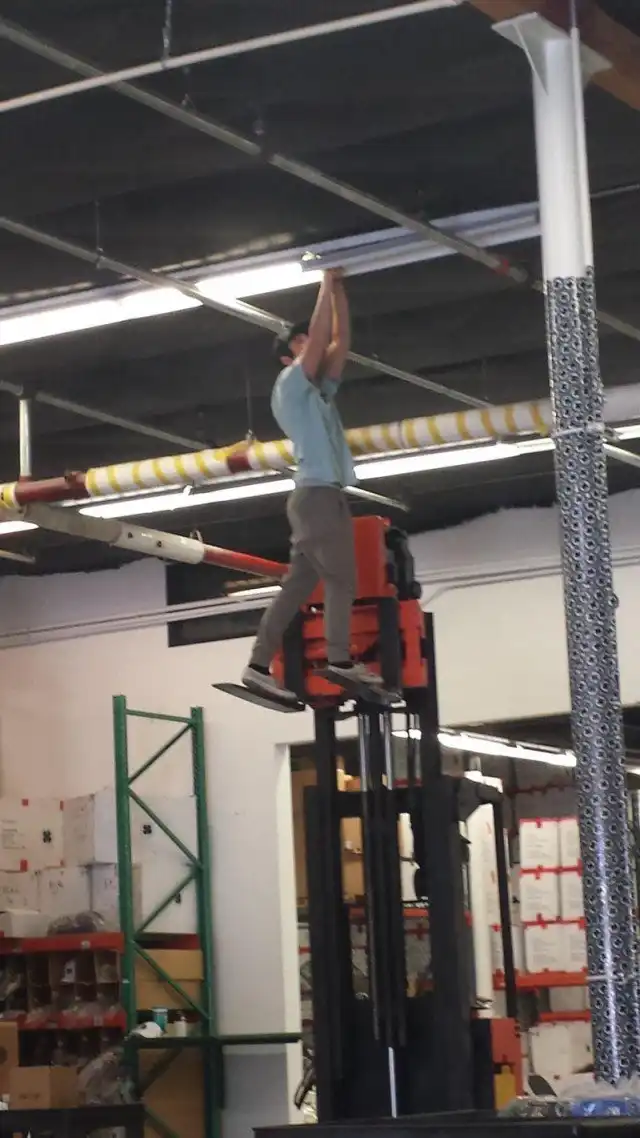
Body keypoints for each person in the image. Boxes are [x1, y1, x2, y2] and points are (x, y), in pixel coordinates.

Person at [242, 269, 383, 704]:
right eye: (301, 342)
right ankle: (339, 659)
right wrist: (324, 283)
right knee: (341, 580)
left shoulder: (318, 393)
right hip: (319, 496)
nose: (311, 344)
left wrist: (338, 289)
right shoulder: (290, 385)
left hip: (313, 498)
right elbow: (323, 340)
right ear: (289, 359)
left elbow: (340, 343)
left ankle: (257, 666)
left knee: (297, 588)